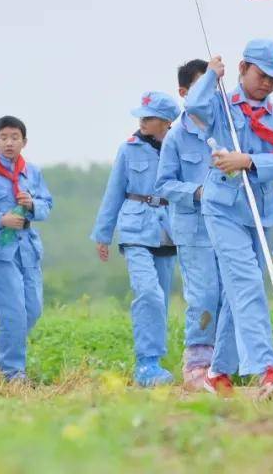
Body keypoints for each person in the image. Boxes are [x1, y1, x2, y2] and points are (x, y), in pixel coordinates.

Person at [185, 40, 273, 399]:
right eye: (262, 75)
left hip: (261, 212)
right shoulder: (218, 102)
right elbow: (193, 107)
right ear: (243, 68)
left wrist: (248, 160)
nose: (267, 84)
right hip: (222, 208)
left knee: (240, 292)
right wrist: (208, 76)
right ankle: (265, 369)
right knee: (247, 282)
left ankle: (218, 373)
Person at [92, 92, 179, 387]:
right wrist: (103, 234)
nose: (143, 120)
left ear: (167, 121)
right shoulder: (128, 150)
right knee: (148, 293)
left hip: (169, 230)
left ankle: (155, 362)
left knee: (162, 300)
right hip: (135, 229)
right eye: (142, 115)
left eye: (150, 116)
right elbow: (113, 191)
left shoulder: (179, 146)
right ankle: (146, 364)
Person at [155, 59, 223, 391]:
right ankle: (197, 362)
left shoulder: (227, 129)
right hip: (193, 229)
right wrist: (196, 192)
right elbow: (163, 184)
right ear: (184, 93)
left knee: (228, 294)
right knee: (204, 295)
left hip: (227, 228)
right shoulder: (176, 137)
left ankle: (223, 363)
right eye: (200, 88)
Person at [0, 115, 54, 382]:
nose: (9, 143)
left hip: (28, 247)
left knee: (32, 311)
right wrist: (0, 218)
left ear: (24, 141)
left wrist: (33, 204)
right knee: (13, 313)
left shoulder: (32, 172)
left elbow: (48, 204)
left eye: (15, 138)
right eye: (3, 138)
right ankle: (14, 372)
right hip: (1, 251)